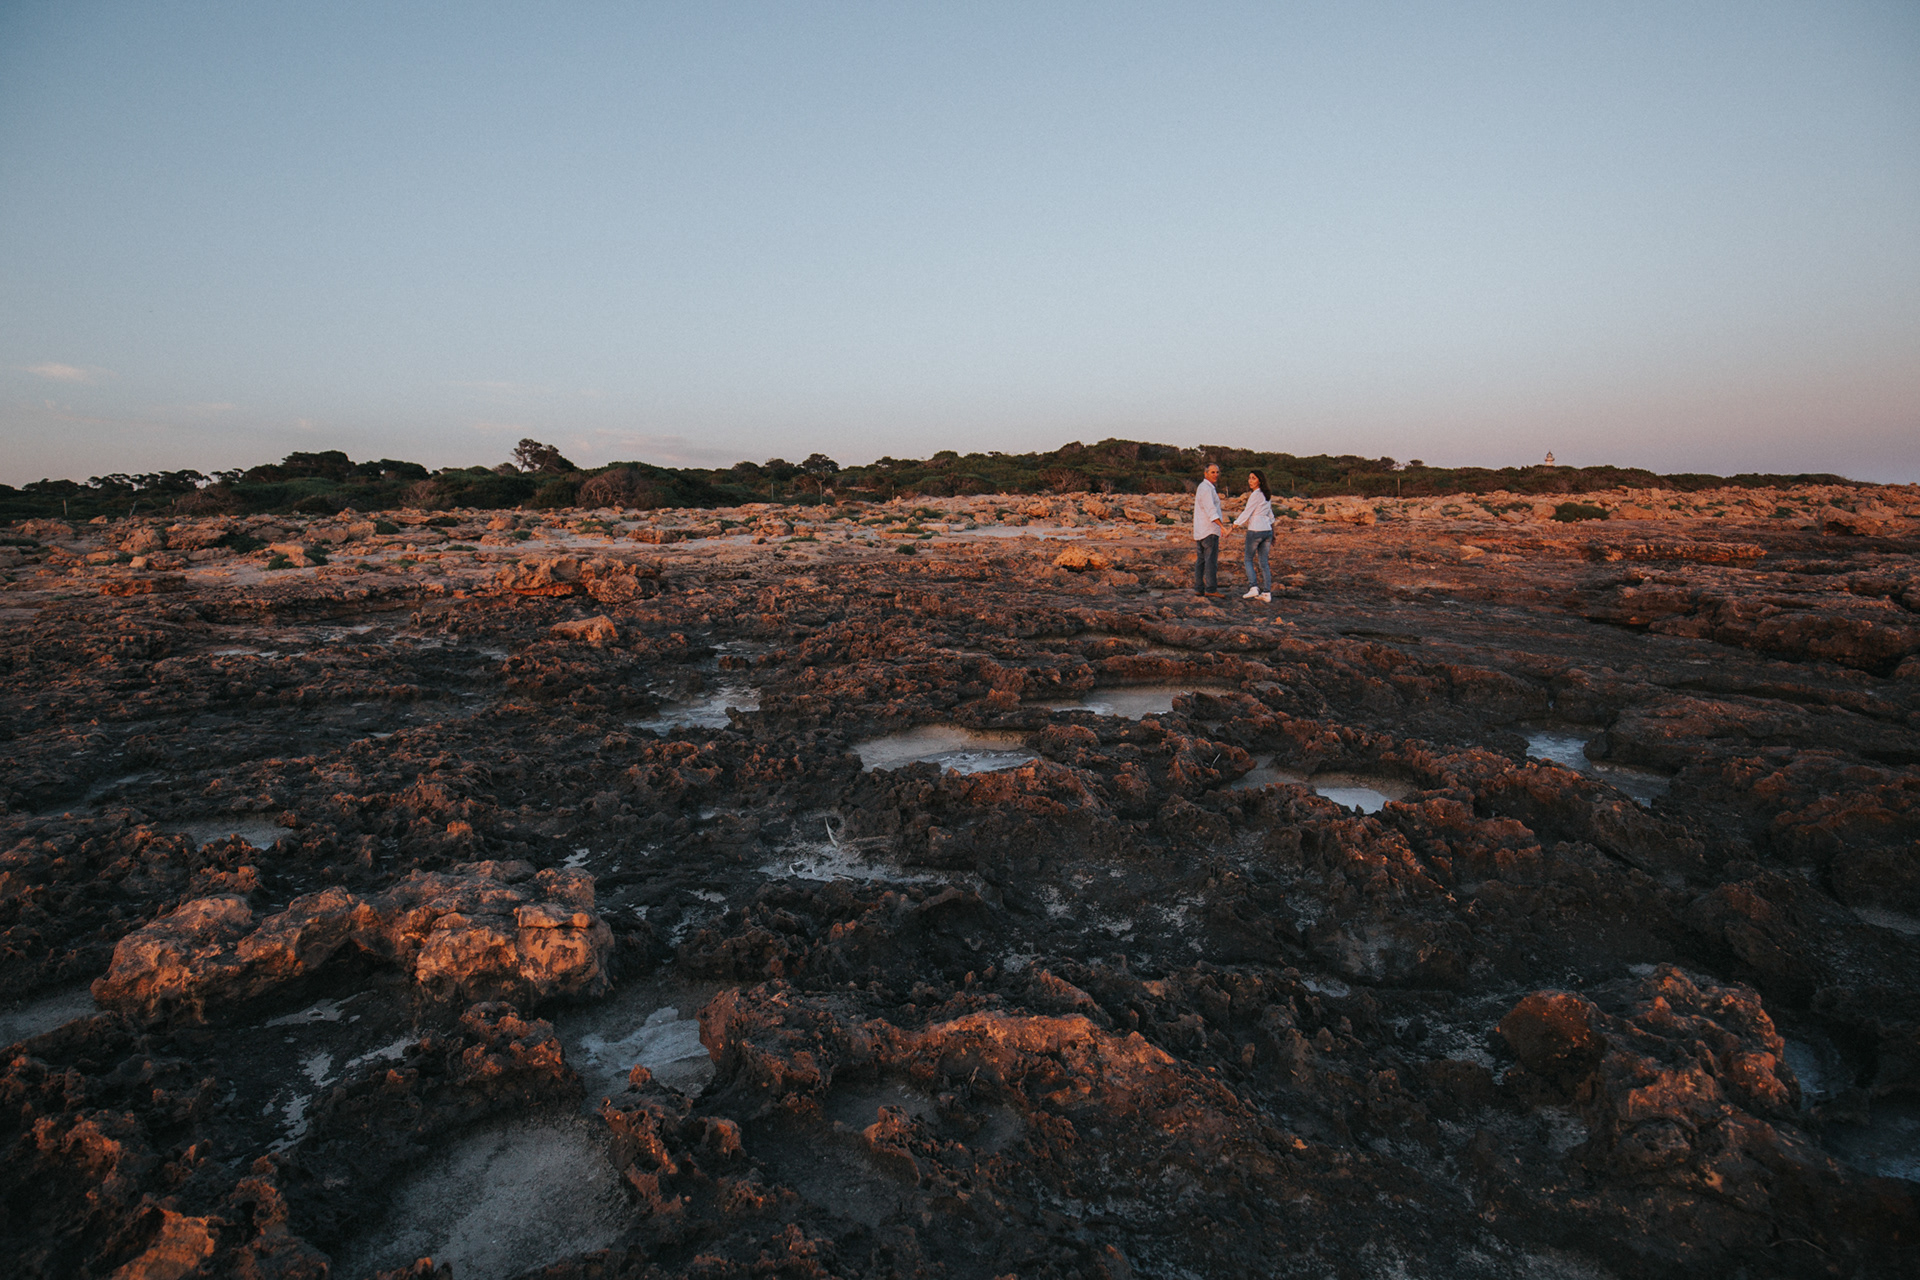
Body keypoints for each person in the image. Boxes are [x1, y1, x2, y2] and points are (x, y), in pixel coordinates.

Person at [1233, 469, 1274, 602]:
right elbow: (1271, 516)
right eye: (1249, 478)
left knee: (1248, 559)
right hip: (1267, 530)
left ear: (1260, 480)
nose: (1250, 481)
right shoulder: (1266, 495)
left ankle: (1253, 587)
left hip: (1256, 530)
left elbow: (1247, 512)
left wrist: (1234, 525)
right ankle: (1267, 593)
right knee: (1264, 562)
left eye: (1253, 478)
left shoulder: (1256, 495)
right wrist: (1273, 533)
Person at [1191, 462, 1225, 595]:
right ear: (1205, 474)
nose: (1216, 474)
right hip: (1208, 530)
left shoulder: (1206, 487)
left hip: (1201, 530)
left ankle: (1199, 588)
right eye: (1212, 472)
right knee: (1210, 561)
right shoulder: (1206, 488)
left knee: (1201, 560)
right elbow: (1211, 510)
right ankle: (1210, 589)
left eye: (1217, 472)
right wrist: (1222, 526)